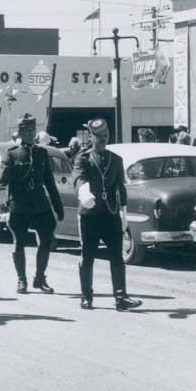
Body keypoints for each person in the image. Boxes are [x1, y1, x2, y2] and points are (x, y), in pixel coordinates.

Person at [73, 118, 141, 311]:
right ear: (91, 137)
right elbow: (78, 177)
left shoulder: (116, 159)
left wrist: (124, 213)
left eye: (105, 136)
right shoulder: (83, 158)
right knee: (87, 256)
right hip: (89, 214)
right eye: (98, 136)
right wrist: (83, 192)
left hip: (110, 214)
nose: (102, 139)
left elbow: (120, 187)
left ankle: (121, 298)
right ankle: (86, 297)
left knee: (117, 257)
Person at [0, 113, 65, 294]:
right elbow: (3, 182)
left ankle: (40, 278)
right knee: (19, 242)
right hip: (19, 205)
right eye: (26, 130)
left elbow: (49, 182)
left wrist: (58, 206)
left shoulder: (41, 153)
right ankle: (22, 280)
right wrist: (4, 199)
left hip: (40, 204)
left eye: (32, 130)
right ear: (20, 132)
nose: (30, 133)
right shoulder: (11, 154)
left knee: (46, 239)